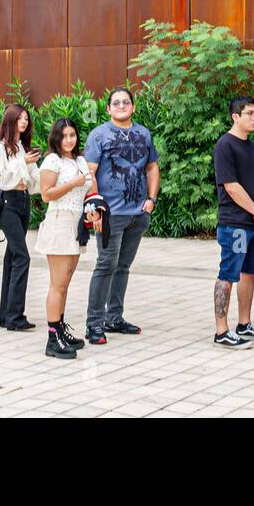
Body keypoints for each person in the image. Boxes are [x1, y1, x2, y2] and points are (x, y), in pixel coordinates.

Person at [82, 87, 161, 344]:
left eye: (126, 102)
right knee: (105, 266)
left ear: (133, 107)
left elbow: (152, 167)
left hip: (137, 213)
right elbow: (89, 172)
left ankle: (114, 318)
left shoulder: (143, 134)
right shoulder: (99, 135)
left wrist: (151, 200)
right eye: (116, 103)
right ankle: (94, 324)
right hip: (109, 214)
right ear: (108, 109)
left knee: (123, 267)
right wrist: (95, 207)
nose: (121, 105)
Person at [212, 96, 254, 348]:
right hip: (235, 223)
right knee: (228, 273)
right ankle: (221, 331)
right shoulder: (225, 145)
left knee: (249, 273)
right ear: (235, 117)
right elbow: (231, 186)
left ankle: (244, 325)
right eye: (249, 113)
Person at [36, 117, 94, 359]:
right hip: (59, 221)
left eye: (72, 135)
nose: (69, 140)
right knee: (57, 284)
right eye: (64, 136)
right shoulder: (52, 160)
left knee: (66, 282)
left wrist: (92, 208)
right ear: (56, 138)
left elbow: (89, 189)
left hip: (77, 222)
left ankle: (60, 329)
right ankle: (52, 339)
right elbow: (46, 195)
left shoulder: (79, 159)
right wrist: (72, 183)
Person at [0, 104, 40, 332]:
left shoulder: (22, 146)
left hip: (23, 201)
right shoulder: (3, 148)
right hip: (9, 202)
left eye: (26, 119)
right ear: (10, 121)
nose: (24, 122)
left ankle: (7, 315)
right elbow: (2, 179)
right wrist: (24, 163)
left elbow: (34, 178)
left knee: (12, 257)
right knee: (22, 257)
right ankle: (15, 316)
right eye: (20, 118)